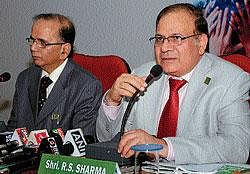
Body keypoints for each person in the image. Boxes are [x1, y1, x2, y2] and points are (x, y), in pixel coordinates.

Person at [96, 3, 250, 164]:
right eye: (159, 39)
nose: (164, 47)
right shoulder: (143, 76)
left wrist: (164, 146)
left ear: (201, 43)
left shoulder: (232, 80)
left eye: (176, 38)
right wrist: (112, 102)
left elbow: (236, 148)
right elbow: (106, 139)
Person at [7, 13, 102, 140]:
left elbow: (82, 144)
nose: (33, 48)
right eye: (32, 40)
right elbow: (13, 130)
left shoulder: (86, 87)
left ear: (64, 50)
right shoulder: (25, 78)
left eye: (42, 43)